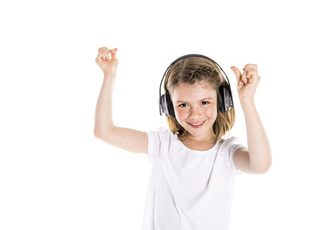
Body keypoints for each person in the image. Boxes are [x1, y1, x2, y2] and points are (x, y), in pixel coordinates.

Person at [94, 47, 272, 230]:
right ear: (169, 107)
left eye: (204, 102)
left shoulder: (227, 152)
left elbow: (261, 165)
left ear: (222, 101)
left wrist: (247, 100)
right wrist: (109, 75)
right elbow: (104, 131)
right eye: (183, 104)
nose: (195, 114)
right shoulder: (162, 144)